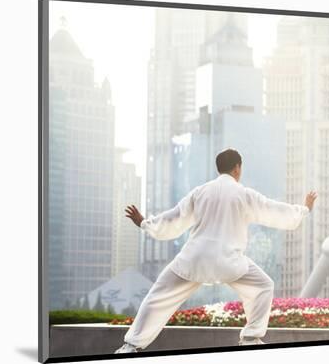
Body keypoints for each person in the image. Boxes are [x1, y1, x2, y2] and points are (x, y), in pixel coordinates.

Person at [115, 148, 317, 353]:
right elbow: (273, 210)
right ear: (238, 168)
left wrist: (145, 224)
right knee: (264, 286)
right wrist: (304, 209)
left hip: (194, 260)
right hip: (229, 262)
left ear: (218, 168)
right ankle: (250, 338)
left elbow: (175, 217)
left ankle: (130, 346)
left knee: (157, 297)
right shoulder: (245, 194)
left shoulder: (200, 192)